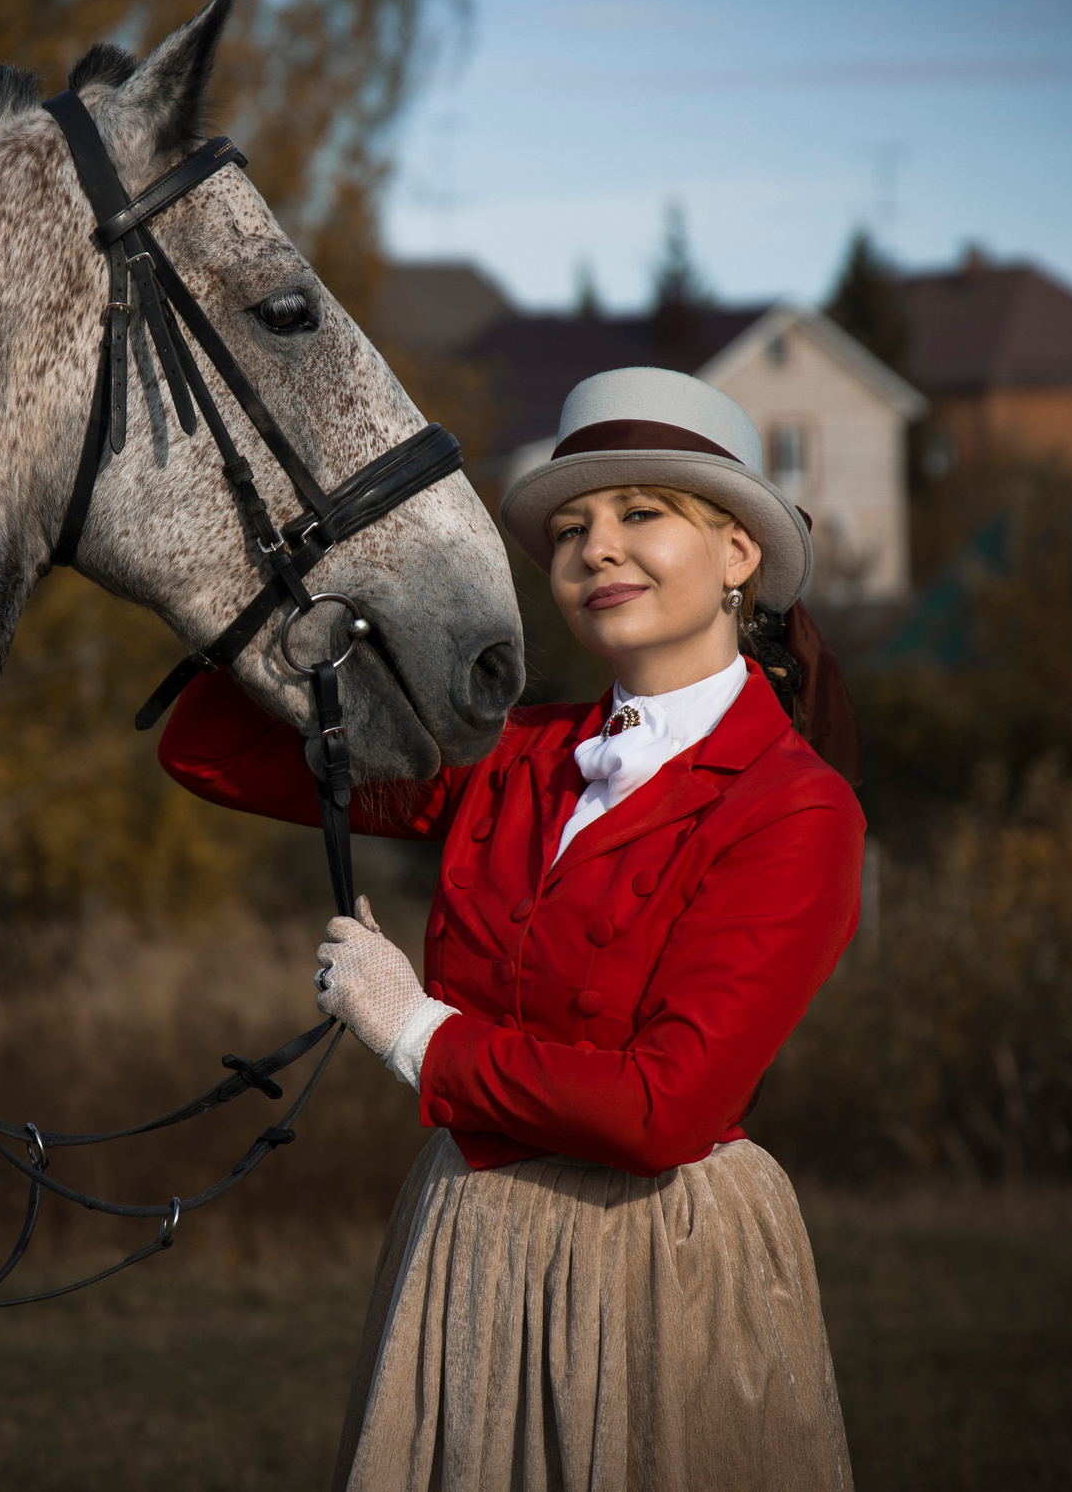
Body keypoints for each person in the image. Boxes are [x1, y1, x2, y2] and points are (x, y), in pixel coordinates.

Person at [159, 367, 862, 1492]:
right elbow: (212, 752)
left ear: (739, 554)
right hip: (469, 1242)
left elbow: (661, 1110)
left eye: (643, 514)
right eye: (573, 526)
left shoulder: (796, 807)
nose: (596, 548)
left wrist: (414, 1032)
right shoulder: (517, 756)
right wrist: (310, 585)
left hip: (655, 1260)